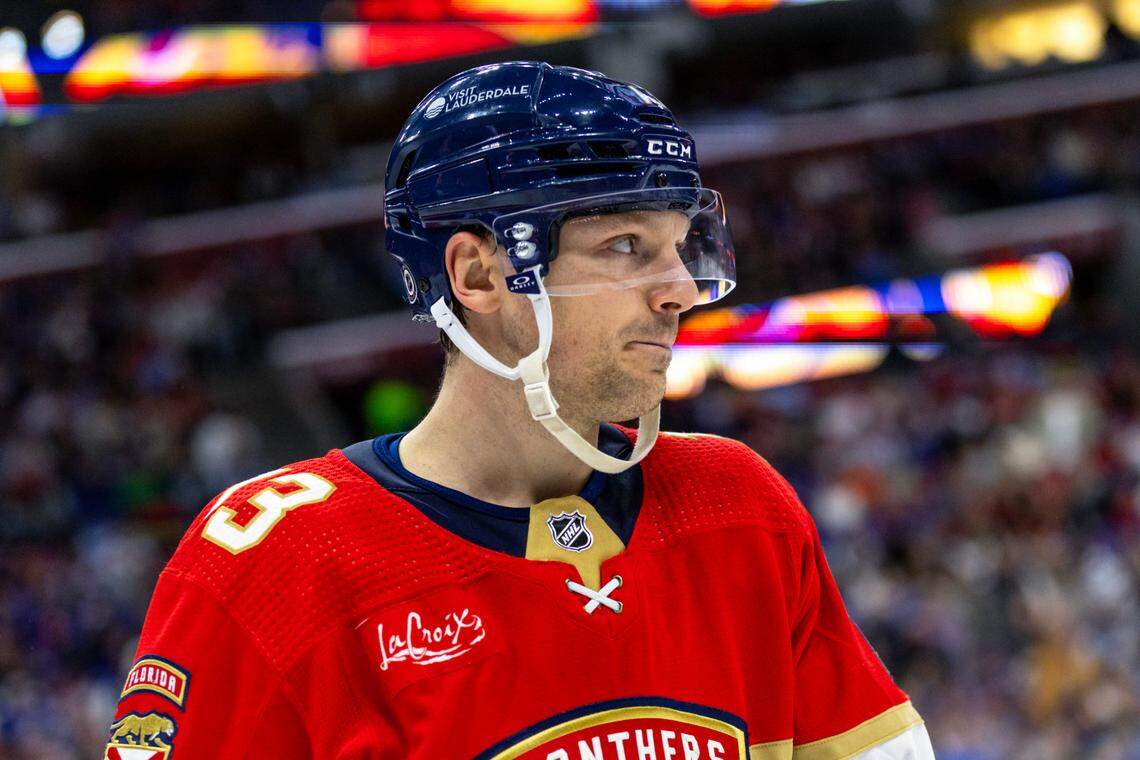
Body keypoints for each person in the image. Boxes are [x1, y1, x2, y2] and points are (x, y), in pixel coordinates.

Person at [105, 61, 935, 759]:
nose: (680, 290)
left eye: (681, 247)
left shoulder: (740, 511)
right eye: (625, 248)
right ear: (476, 276)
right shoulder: (275, 562)